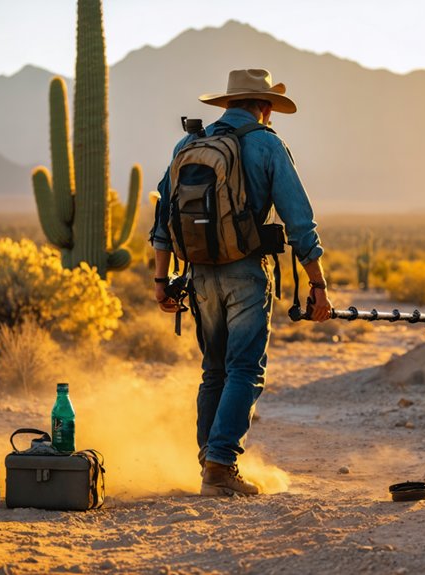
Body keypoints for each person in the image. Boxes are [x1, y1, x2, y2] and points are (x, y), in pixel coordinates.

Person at [149, 69, 332, 496]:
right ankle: (220, 465)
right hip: (246, 272)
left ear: (228, 104)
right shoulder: (267, 143)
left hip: (197, 275)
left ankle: (209, 460)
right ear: (264, 107)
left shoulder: (188, 144)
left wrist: (161, 279)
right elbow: (299, 222)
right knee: (244, 368)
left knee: (214, 370)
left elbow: (162, 219)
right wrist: (317, 284)